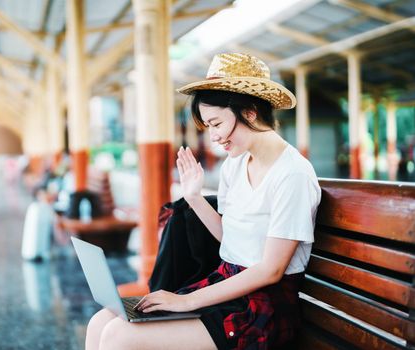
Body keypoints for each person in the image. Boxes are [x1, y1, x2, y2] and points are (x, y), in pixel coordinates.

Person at [85, 53, 321, 350]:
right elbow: (232, 241)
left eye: (216, 124)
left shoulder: (293, 174)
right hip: (226, 285)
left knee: (120, 335)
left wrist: (186, 301)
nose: (213, 137)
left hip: (263, 306)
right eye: (208, 127)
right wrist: (194, 197)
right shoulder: (235, 165)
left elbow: (270, 270)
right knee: (100, 322)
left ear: (248, 111)